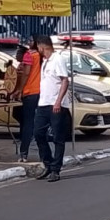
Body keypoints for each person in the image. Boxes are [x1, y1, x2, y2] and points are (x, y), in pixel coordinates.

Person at [33, 36, 71, 182]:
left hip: (56, 104)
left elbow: (64, 80)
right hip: (43, 103)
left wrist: (58, 102)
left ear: (41, 46)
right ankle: (47, 163)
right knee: (38, 133)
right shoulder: (45, 62)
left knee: (58, 138)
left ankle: (56, 169)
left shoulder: (57, 59)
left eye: (38, 47)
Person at [11, 37, 41, 162]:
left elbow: (26, 74)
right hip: (39, 91)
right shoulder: (41, 55)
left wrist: (20, 90)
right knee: (30, 120)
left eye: (30, 40)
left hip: (29, 92)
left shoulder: (29, 55)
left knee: (27, 123)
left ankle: (24, 153)